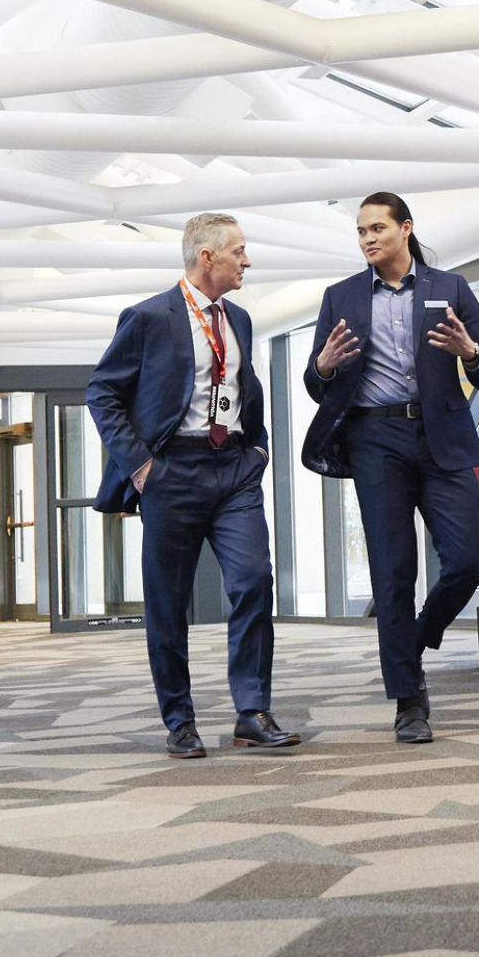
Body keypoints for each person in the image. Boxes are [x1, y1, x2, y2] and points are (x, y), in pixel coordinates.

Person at [86, 213, 301, 759]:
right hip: (171, 474)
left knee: (253, 580)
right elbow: (102, 393)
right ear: (208, 258)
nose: (247, 261)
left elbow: (243, 386)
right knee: (168, 602)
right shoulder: (148, 317)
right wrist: (141, 467)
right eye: (239, 252)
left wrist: (257, 449)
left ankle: (252, 711)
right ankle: (179, 720)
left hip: (232, 471)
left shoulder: (242, 320)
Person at [300, 192, 479, 743]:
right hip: (375, 438)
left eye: (377, 228)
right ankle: (409, 702)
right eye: (360, 231)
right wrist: (321, 366)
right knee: (394, 572)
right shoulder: (339, 296)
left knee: (467, 559)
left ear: (406, 229)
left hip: (441, 435)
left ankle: (413, 640)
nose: (367, 239)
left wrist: (468, 352)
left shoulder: (450, 288)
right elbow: (316, 384)